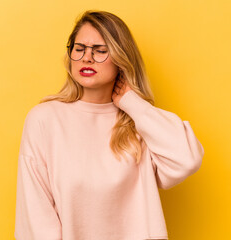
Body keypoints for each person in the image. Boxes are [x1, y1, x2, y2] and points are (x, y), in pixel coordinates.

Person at [14, 10, 204, 240]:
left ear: (122, 59)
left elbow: (187, 159)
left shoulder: (138, 123)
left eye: (101, 51)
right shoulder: (45, 119)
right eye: (79, 48)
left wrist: (133, 104)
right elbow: (36, 218)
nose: (87, 58)